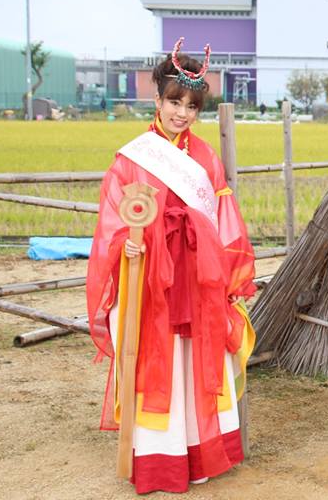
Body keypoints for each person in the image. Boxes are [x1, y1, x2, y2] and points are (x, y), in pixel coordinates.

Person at [86, 38, 256, 494]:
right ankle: (160, 460)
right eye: (174, 101)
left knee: (197, 362)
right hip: (150, 280)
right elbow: (112, 223)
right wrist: (129, 247)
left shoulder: (205, 158)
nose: (181, 113)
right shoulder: (131, 157)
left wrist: (232, 274)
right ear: (157, 100)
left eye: (192, 106)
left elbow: (225, 221)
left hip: (198, 276)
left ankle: (200, 455)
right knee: (157, 365)